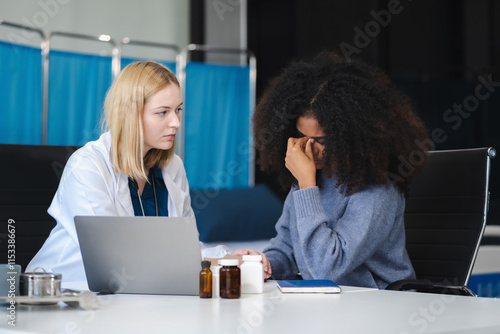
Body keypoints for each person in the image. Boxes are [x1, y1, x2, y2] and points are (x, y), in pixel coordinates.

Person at [27, 61, 270, 285]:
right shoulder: (88, 166)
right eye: (163, 112)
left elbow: (183, 249)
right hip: (67, 293)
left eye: (178, 110)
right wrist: (216, 264)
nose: (175, 122)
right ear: (129, 115)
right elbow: (113, 257)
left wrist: (230, 257)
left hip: (136, 294)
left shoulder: (172, 167)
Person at [252, 52, 429, 289]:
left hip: (380, 309)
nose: (309, 150)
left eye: (321, 140)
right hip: (330, 307)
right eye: (302, 137)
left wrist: (306, 184)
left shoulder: (377, 189)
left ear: (350, 136)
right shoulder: (308, 180)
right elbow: (287, 249)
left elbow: (327, 267)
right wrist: (265, 264)